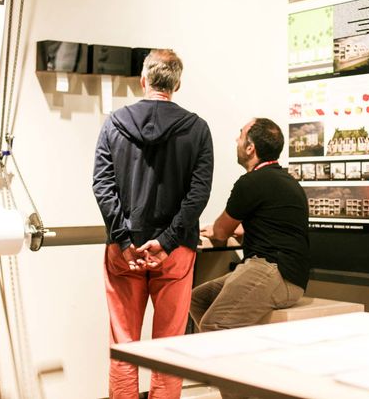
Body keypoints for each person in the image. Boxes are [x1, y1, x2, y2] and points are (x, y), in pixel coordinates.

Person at [92, 49, 213, 399]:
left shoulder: (114, 124)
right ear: (176, 84)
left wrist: (123, 238)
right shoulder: (197, 129)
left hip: (123, 252)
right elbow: (198, 193)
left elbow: (102, 185)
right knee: (170, 348)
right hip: (175, 255)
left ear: (144, 80)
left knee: (124, 343)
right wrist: (169, 240)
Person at [191, 118, 310, 336]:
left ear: (250, 148)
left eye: (240, 134)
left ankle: (224, 368)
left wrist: (216, 229)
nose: (236, 139)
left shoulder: (251, 182)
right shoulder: (288, 181)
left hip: (272, 270)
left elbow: (220, 232)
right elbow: (275, 224)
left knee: (214, 323)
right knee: (199, 299)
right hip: (291, 276)